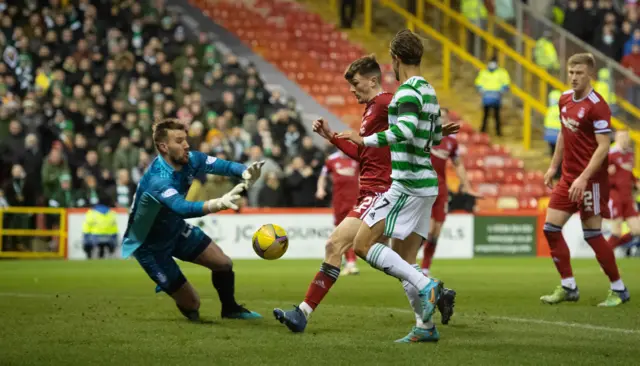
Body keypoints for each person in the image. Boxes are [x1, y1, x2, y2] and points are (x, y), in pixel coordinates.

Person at [273, 54, 456, 340]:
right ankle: (430, 312)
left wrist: (431, 131)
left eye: (356, 83)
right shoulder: (373, 108)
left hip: (382, 190)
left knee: (337, 244)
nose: (352, 89)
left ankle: (302, 313)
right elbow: (363, 154)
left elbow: (407, 122)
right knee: (401, 262)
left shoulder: (385, 103)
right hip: (375, 190)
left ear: (372, 80)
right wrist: (333, 137)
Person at [337, 30, 460, 342]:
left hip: (406, 184)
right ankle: (425, 327)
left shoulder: (406, 92)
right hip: (427, 184)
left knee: (361, 245)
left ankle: (427, 285)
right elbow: (431, 139)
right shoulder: (429, 91)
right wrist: (436, 131)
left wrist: (364, 139)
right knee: (403, 261)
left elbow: (403, 130)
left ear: (396, 59)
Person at [121, 119, 265, 321]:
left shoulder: (190, 159)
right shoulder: (157, 179)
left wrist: (245, 171)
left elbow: (221, 165)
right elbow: (182, 208)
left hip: (175, 228)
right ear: (164, 147)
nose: (186, 145)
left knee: (223, 263)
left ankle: (230, 309)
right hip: (150, 246)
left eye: (185, 139)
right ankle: (173, 288)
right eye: (179, 141)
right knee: (193, 303)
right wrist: (219, 204)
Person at [540, 53, 630, 307]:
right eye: (571, 72)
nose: (574, 77)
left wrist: (583, 178)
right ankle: (568, 286)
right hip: (568, 177)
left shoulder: (597, 105)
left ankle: (619, 289)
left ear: (589, 74)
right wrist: (553, 166)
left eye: (579, 73)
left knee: (592, 234)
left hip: (590, 181)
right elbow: (563, 133)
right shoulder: (564, 100)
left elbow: (603, 147)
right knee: (550, 229)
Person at [420, 108, 477, 278]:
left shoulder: (451, 142)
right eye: (439, 117)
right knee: (427, 231)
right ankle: (407, 263)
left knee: (436, 233)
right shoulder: (424, 136)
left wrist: (466, 185)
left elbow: (458, 164)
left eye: (444, 117)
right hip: (424, 188)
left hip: (442, 189)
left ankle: (425, 269)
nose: (442, 120)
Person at [316, 150, 361, 275]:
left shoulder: (356, 158)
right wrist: (320, 189)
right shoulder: (331, 159)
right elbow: (322, 175)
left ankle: (350, 262)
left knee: (350, 231)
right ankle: (338, 258)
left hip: (354, 200)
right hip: (339, 201)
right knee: (339, 231)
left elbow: (364, 175)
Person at [607, 130, 640, 250]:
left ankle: (608, 248)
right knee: (617, 230)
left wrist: (636, 182)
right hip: (616, 195)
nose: (624, 139)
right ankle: (606, 256)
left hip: (628, 196)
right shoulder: (610, 154)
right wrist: (608, 173)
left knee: (637, 230)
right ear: (616, 138)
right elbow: (599, 174)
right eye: (621, 137)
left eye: (626, 137)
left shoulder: (630, 154)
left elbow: (629, 172)